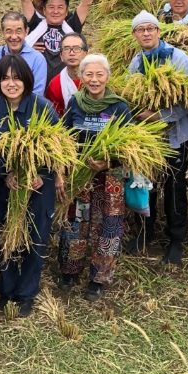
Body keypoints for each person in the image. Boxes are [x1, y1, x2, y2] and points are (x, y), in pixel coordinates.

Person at [0, 54, 60, 316]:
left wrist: (40, 173)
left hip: (38, 186)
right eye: (5, 78)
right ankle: (7, 288)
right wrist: (5, 175)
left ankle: (26, 292)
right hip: (6, 186)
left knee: (35, 236)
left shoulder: (42, 107)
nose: (11, 83)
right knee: (5, 234)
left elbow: (57, 148)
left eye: (16, 78)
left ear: (26, 80)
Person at [59, 54, 135, 299]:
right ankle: (70, 270)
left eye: (99, 74)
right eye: (88, 74)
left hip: (110, 177)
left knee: (108, 226)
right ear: (81, 77)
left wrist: (108, 162)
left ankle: (98, 278)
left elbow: (131, 146)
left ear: (108, 77)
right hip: (80, 175)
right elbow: (64, 138)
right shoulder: (75, 103)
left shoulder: (119, 106)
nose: (94, 79)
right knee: (75, 223)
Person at [128, 10, 188, 265]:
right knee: (145, 184)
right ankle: (145, 232)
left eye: (150, 29)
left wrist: (160, 116)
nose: (146, 33)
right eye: (140, 30)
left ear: (159, 31)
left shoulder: (179, 59)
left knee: (174, 187)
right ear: (135, 34)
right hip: (148, 138)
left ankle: (176, 239)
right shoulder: (136, 63)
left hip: (176, 136)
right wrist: (139, 115)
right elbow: (131, 97)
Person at [21, 0, 98, 81]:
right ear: (44, 10)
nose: (55, 11)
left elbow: (86, 3)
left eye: (60, 7)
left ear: (66, 11)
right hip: (38, 81)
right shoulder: (35, 24)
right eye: (51, 7)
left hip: (66, 82)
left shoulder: (72, 27)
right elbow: (25, 0)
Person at [0, 12, 47, 96]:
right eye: (9, 31)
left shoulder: (37, 59)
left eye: (19, 31)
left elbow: (37, 93)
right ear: (2, 32)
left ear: (26, 31)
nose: (14, 37)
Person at [43, 32, 87, 116]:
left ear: (85, 53)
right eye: (66, 49)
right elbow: (53, 116)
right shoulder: (55, 84)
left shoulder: (95, 79)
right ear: (61, 56)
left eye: (77, 48)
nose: (71, 53)